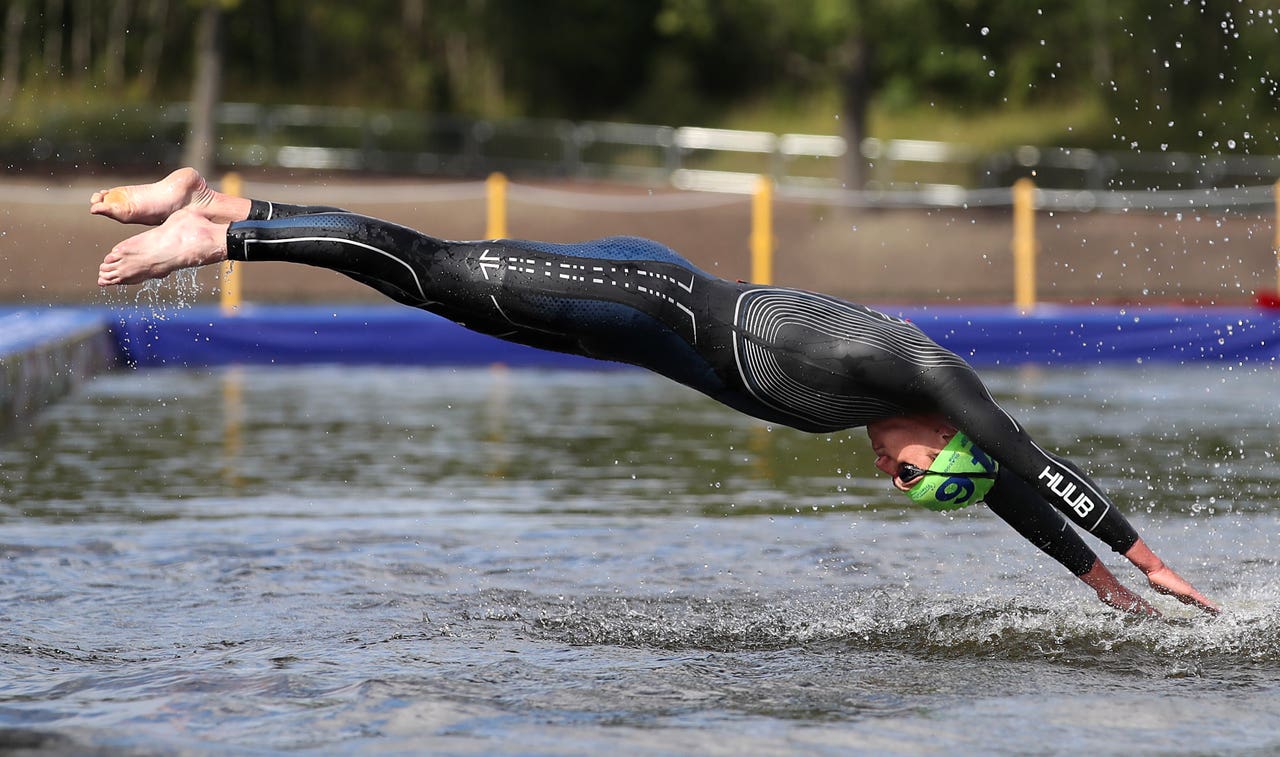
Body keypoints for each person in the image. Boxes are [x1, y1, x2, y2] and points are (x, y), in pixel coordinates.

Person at [92, 168, 1219, 617]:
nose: (891, 472)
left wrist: (1092, 585)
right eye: (913, 473)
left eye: (902, 484)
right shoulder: (918, 372)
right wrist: (1136, 548)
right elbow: (1015, 460)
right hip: (646, 296)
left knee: (434, 288)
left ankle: (209, 194)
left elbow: (1000, 492)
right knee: (434, 269)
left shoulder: (895, 412)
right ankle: (212, 232)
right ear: (936, 430)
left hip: (627, 322)